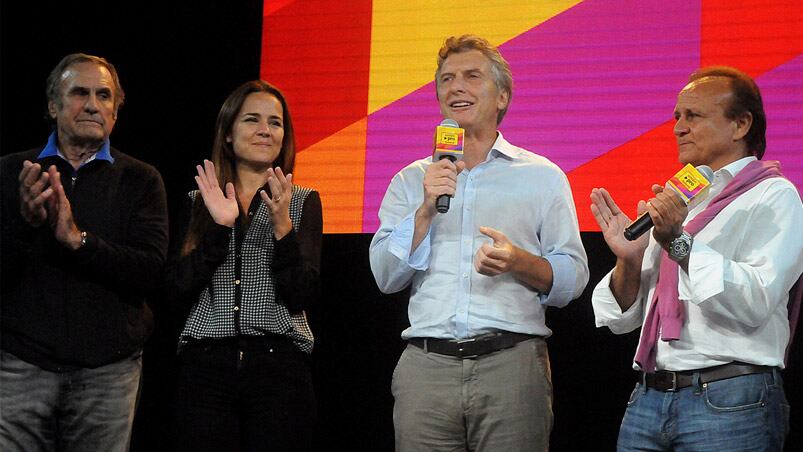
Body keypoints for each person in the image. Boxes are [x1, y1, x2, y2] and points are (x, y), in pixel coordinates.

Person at [369, 35, 589, 451]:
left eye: (472, 76)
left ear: (502, 96)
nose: (456, 87)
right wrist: (424, 212)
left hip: (512, 365)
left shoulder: (541, 176)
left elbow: (573, 278)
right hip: (426, 368)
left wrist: (518, 261)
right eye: (447, 79)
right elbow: (385, 276)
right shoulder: (410, 180)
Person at [590, 66, 803, 451]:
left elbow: (754, 300)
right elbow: (623, 321)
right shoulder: (684, 198)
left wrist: (678, 242)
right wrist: (629, 260)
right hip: (649, 396)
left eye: (694, 116)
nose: (678, 128)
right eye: (676, 117)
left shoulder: (774, 196)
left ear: (740, 124)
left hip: (730, 400)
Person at [0, 53, 169, 451]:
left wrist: (80, 241)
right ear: (53, 106)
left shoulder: (141, 180)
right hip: (21, 366)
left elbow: (150, 271)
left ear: (115, 112)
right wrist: (26, 223)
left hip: (108, 372)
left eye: (104, 95)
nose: (93, 104)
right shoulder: (10, 172)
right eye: (79, 93)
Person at [164, 80, 322, 452]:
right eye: (252, 119)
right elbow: (174, 289)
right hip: (205, 369)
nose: (266, 130)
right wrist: (219, 229)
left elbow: (302, 294)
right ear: (229, 134)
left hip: (278, 369)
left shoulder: (303, 201)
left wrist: (283, 228)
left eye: (276, 122)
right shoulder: (196, 200)